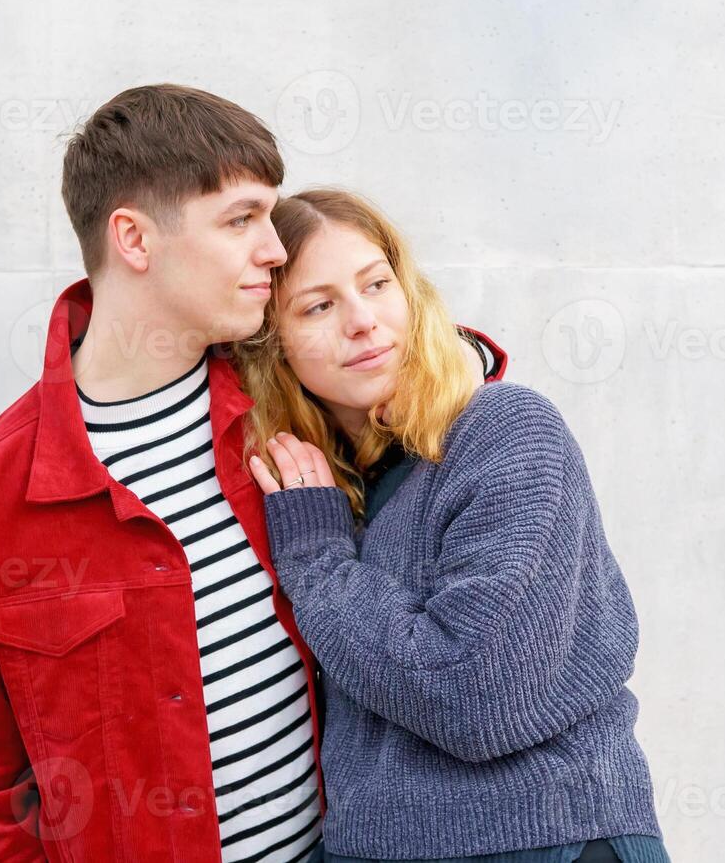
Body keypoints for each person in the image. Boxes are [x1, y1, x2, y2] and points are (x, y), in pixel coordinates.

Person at [0, 85, 510, 861]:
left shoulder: (292, 411)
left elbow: (434, 400)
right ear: (133, 238)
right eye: (240, 220)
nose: (274, 248)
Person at [237, 189, 669, 863]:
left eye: (377, 284)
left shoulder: (506, 431)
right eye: (318, 306)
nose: (363, 322)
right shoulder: (329, 489)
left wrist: (318, 558)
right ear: (275, 349)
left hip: (544, 841)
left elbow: (473, 695)